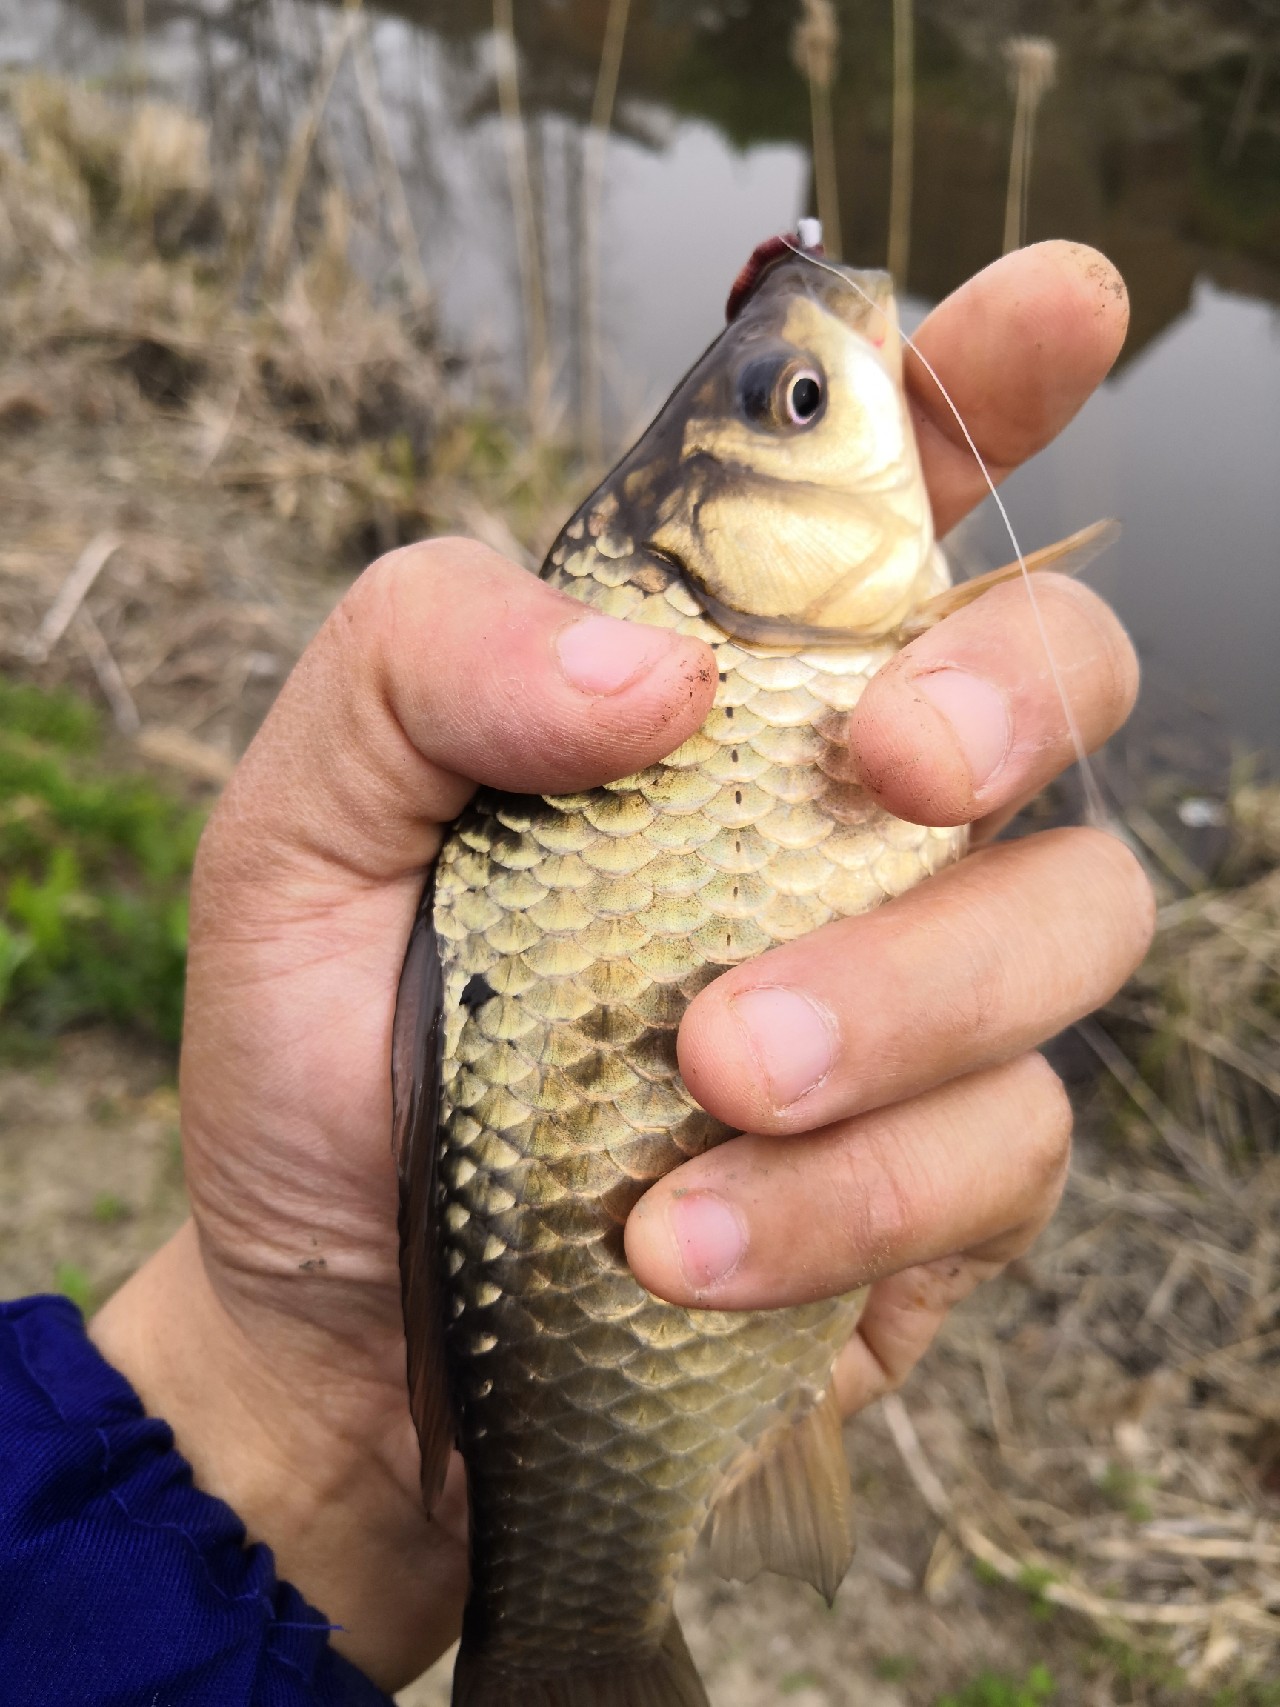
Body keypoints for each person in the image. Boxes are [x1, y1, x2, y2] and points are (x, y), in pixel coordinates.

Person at [0, 242, 1152, 1705]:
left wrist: (296, 1426)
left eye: (789, 397)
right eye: (802, 398)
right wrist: (297, 1392)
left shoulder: (809, 641)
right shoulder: (658, 659)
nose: (834, 379)